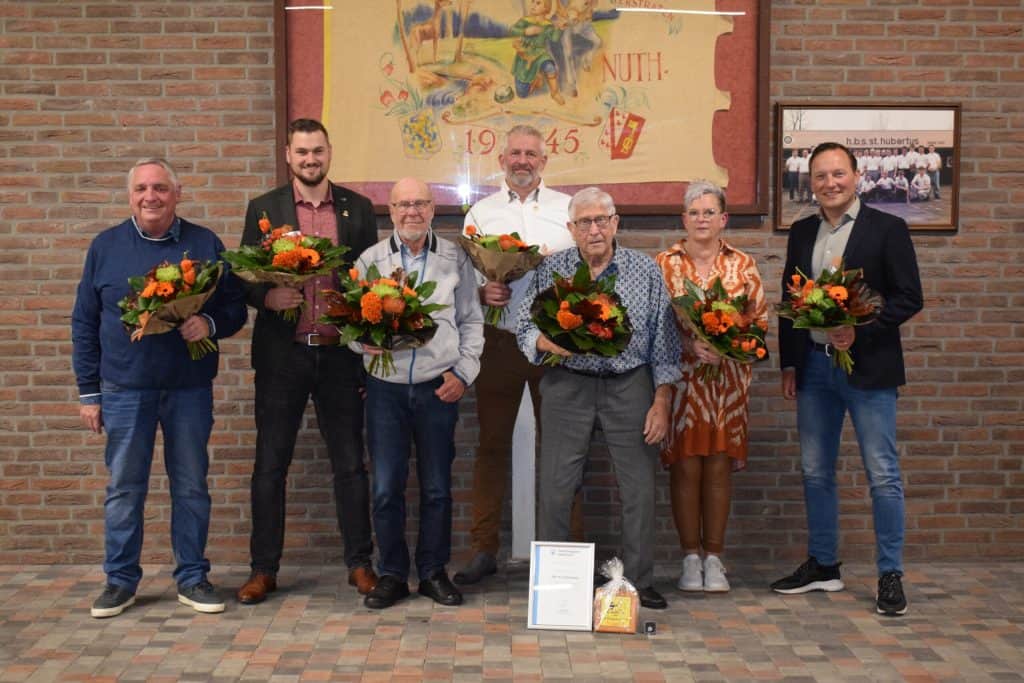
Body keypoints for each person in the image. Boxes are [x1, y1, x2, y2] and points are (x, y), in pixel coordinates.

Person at [72, 158, 247, 618]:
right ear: (130, 196)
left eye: (161, 188)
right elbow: (85, 322)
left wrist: (206, 322)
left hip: (189, 388)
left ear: (178, 193)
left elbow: (234, 309)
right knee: (125, 489)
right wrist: (89, 393)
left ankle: (192, 577)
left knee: (191, 486)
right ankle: (120, 581)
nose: (151, 196)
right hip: (124, 389)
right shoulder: (105, 247)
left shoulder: (204, 243)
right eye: (142, 189)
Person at [773, 142, 923, 617]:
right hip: (814, 368)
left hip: (870, 369)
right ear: (810, 182)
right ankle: (823, 565)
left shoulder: (888, 229)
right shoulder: (801, 232)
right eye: (820, 176)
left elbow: (908, 297)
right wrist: (790, 364)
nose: (829, 183)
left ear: (857, 176)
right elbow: (790, 300)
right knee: (816, 471)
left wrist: (858, 330)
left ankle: (890, 574)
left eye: (838, 174)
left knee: (882, 474)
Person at [235, 118, 380, 605]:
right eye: (301, 153)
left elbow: (368, 284)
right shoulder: (264, 209)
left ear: (329, 152)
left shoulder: (357, 210)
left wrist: (367, 351)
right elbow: (243, 275)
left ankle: (360, 564)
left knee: (351, 466)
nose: (310, 160)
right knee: (270, 466)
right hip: (283, 357)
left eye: (317, 151)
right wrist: (265, 295)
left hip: (340, 356)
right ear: (288, 155)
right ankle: (263, 569)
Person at [517, 187, 682, 611]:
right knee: (555, 487)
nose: (594, 229)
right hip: (566, 385)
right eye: (585, 222)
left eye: (601, 220)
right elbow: (522, 328)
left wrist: (661, 401)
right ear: (570, 229)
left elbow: (665, 345)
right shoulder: (551, 270)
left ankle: (639, 581)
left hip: (630, 385)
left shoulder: (645, 272)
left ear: (615, 224)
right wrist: (550, 344)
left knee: (639, 488)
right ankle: (554, 586)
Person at [454, 125, 580, 586]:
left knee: (565, 450)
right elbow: (463, 281)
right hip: (500, 342)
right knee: (490, 446)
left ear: (543, 162)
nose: (523, 161)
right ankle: (483, 549)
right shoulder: (480, 215)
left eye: (531, 154)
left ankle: (570, 552)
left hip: (554, 346)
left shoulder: (568, 210)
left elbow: (584, 272)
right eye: (515, 154)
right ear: (502, 160)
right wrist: (483, 289)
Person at [355, 177, 484, 610]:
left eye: (420, 204)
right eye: (403, 204)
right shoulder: (370, 260)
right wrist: (360, 342)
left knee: (436, 488)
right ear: (389, 211)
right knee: (386, 487)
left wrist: (463, 374)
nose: (412, 212)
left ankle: (432, 572)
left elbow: (471, 320)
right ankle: (392, 573)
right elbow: (351, 323)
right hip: (385, 390)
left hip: (438, 388)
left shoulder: (455, 259)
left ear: (433, 209)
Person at [655, 181, 767, 593]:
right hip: (681, 383)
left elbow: (758, 322)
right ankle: (688, 558)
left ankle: (715, 559)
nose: (701, 219)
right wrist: (690, 342)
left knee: (719, 467)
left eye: (709, 212)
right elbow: (653, 324)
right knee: (685, 467)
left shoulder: (744, 264)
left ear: (723, 219)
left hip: (728, 383)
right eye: (694, 212)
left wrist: (726, 346)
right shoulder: (664, 263)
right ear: (683, 219)